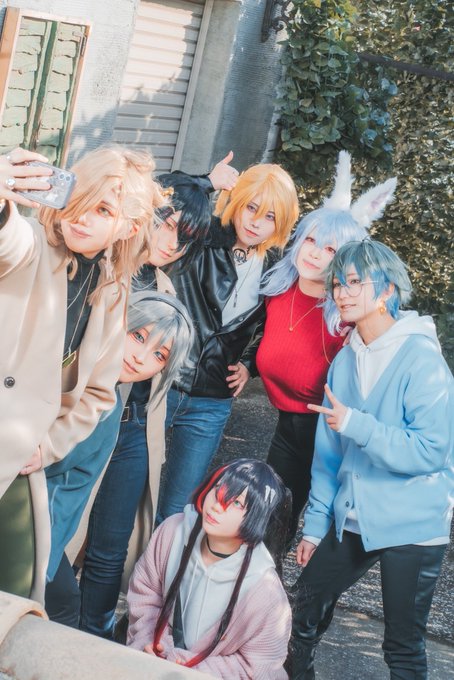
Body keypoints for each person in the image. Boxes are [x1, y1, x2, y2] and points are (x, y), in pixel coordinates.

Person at [75, 159, 237, 639]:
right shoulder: (103, 266)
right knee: (61, 533)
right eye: (165, 225)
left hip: (135, 429)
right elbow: (158, 187)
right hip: (86, 419)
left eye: (184, 239)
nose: (171, 243)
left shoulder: (167, 285)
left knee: (111, 546)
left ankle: (93, 638)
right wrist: (205, 182)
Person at [0, 145, 163, 603]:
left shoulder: (112, 287)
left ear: (128, 227)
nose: (82, 216)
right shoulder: (35, 243)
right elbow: (8, 243)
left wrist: (48, 446)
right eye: (80, 197)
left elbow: (97, 392)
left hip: (19, 463)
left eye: (103, 209)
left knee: (16, 594)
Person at [289, 239, 454, 679]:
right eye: (337, 284)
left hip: (414, 524)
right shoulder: (345, 361)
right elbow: (328, 455)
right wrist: (316, 525)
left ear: (386, 290)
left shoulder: (422, 359)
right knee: (297, 615)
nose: (342, 293)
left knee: (402, 647)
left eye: (355, 282)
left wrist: (357, 424)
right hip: (354, 517)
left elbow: (431, 451)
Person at [257, 151, 394, 541]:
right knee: (270, 520)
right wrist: (246, 364)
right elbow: (258, 335)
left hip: (335, 435)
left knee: (331, 530)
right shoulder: (277, 289)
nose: (315, 252)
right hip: (287, 426)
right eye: (311, 239)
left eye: (331, 249)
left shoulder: (349, 314)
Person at [158, 163, 300, 523]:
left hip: (211, 400)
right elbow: (158, 195)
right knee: (125, 488)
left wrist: (249, 364)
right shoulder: (204, 234)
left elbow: (272, 325)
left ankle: (158, 561)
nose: (256, 222)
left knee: (178, 508)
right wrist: (206, 181)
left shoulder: (278, 269)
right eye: (251, 207)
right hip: (161, 383)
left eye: (270, 216)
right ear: (237, 200)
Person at [44, 289, 193, 628]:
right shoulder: (74, 373)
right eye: (137, 336)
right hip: (28, 526)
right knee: (63, 607)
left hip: (41, 532)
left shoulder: (108, 402)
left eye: (159, 355)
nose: (140, 357)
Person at [127, 458, 292, 679]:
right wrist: (149, 639)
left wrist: (191, 669)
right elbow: (145, 592)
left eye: (237, 503)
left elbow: (260, 665)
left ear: (258, 519)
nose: (217, 504)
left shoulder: (264, 590)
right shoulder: (172, 532)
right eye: (218, 489)